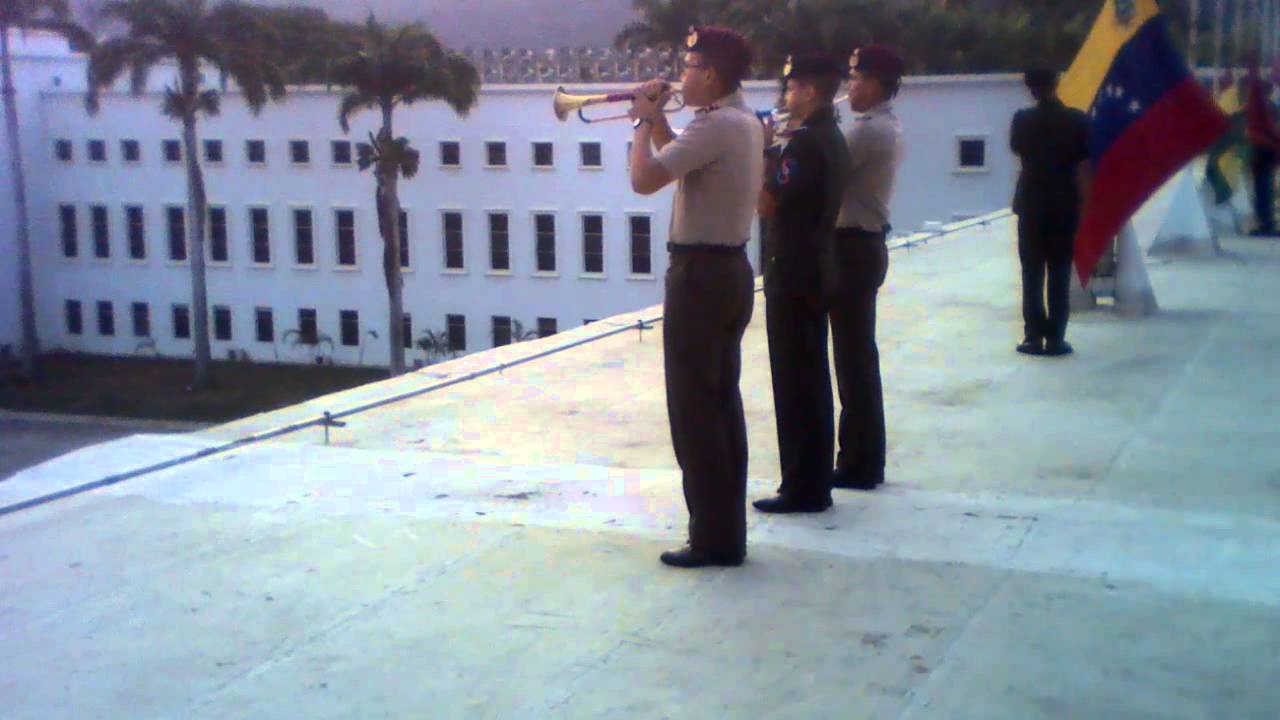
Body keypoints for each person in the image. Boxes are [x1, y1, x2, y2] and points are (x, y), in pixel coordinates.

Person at [628, 26, 763, 568]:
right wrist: (659, 121)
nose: (679, 76)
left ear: (709, 73)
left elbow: (644, 179)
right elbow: (675, 156)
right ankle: (724, 532)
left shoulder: (718, 125)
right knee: (718, 405)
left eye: (687, 67)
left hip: (700, 277)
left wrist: (640, 121)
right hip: (725, 270)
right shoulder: (738, 121)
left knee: (694, 412)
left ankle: (712, 537)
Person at [751, 53, 851, 515]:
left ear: (809, 90)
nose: (787, 96)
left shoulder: (805, 144)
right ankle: (812, 481)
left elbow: (768, 205)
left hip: (793, 272)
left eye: (791, 88)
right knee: (812, 381)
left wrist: (764, 152)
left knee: (795, 385)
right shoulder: (832, 137)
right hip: (816, 267)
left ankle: (802, 487)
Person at [828, 46, 905, 492]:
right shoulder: (880, 125)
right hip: (862, 244)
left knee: (853, 361)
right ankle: (860, 458)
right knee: (856, 358)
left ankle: (858, 462)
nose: (849, 88)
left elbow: (824, 169)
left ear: (874, 84)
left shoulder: (868, 131)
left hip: (853, 246)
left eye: (855, 79)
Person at [1010, 67, 1091, 357]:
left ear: (1030, 88)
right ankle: (1056, 337)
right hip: (1064, 203)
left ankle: (1033, 335)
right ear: (1057, 84)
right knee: (1058, 272)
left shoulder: (1022, 121)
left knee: (1032, 273)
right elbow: (1084, 163)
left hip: (1031, 202)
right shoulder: (1077, 121)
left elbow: (1018, 151)